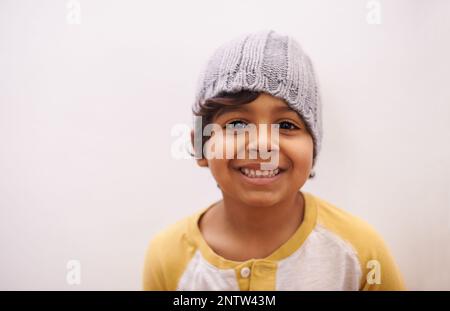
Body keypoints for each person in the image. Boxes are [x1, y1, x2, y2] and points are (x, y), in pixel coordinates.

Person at [142, 30, 405, 290]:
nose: (263, 145)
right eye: (236, 123)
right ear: (200, 147)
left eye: (287, 125)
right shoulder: (167, 255)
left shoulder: (360, 252)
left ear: (313, 148)